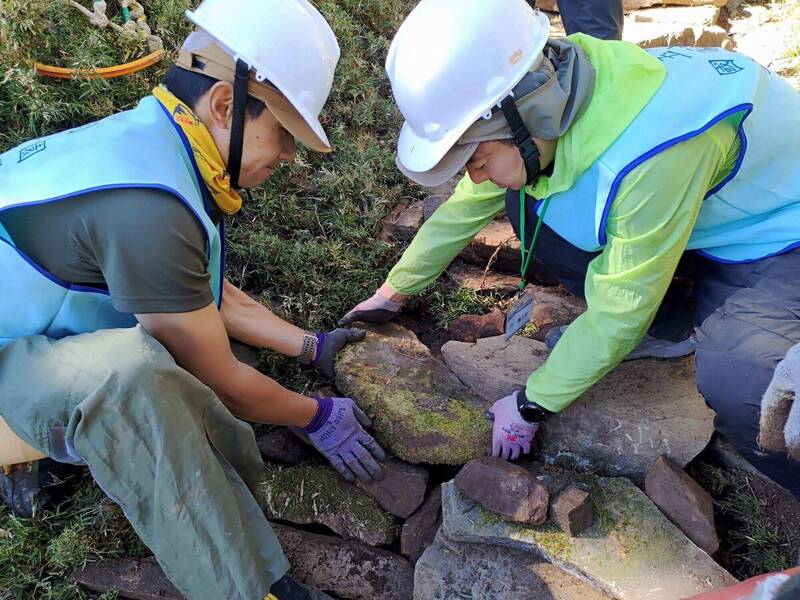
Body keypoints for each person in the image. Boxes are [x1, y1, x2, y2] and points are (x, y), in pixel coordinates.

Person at [0, 0, 385, 598]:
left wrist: (315, 350)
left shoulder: (157, 147)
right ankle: (244, 583)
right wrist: (313, 415)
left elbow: (203, 295)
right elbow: (223, 379)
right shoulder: (147, 207)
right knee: (138, 383)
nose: (287, 155)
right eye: (283, 132)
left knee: (196, 365)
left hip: (28, 325)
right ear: (227, 105)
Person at [341, 0, 800, 498]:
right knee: (524, 200)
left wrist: (531, 402)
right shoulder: (554, 83)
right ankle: (668, 326)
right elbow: (468, 203)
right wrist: (395, 290)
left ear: (521, 119)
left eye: (476, 157)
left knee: (747, 391)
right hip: (697, 208)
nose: (473, 174)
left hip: (774, 235)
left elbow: (620, 308)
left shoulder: (652, 149)